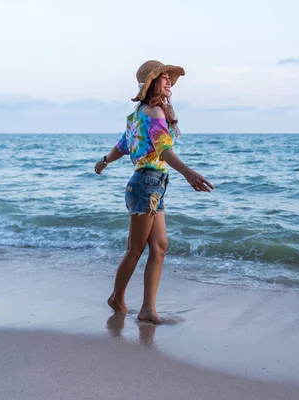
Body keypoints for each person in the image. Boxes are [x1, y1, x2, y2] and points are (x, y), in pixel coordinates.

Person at [95, 60, 214, 324]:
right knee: (135, 249)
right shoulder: (154, 113)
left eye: (168, 77)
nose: (168, 80)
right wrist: (188, 172)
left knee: (159, 247)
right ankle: (116, 297)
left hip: (151, 185)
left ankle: (148, 308)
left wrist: (103, 161)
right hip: (146, 184)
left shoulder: (139, 114)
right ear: (151, 85)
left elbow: (123, 147)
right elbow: (161, 149)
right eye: (163, 77)